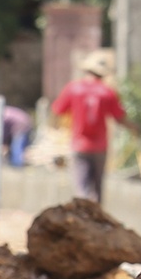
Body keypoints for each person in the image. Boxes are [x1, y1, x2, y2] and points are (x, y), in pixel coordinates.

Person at [50, 50, 127, 203]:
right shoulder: (108, 92)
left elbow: (57, 111)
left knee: (81, 189)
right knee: (97, 190)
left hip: (79, 145)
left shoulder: (73, 88)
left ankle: (82, 221)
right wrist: (136, 129)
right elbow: (120, 118)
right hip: (100, 147)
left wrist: (55, 132)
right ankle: (96, 223)